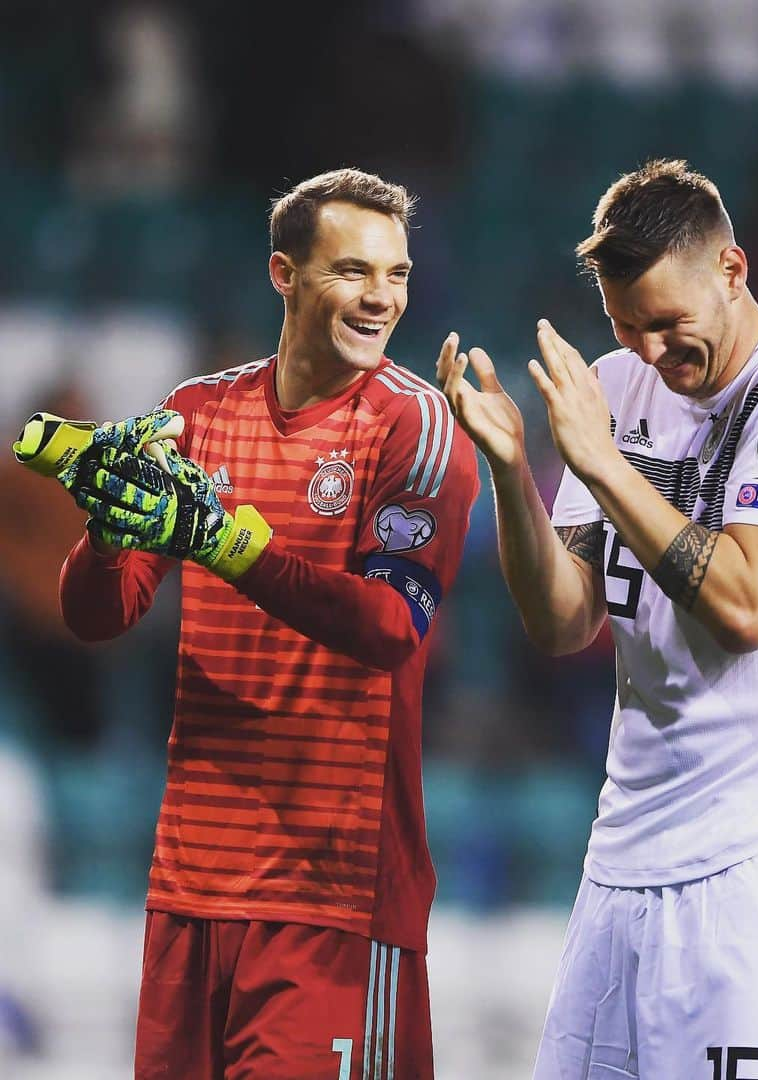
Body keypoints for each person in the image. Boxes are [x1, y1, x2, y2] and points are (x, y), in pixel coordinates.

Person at [438, 159, 758, 1079]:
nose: (649, 353)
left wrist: (602, 466)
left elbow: (752, 605)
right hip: (626, 855)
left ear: (732, 270)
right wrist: (516, 474)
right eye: (625, 327)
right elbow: (564, 623)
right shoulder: (617, 387)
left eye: (669, 324)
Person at [54, 168, 479, 1079]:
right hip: (189, 888)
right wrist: (102, 533)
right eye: (353, 271)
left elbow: (391, 626)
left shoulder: (416, 428)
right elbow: (100, 615)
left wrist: (226, 545)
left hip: (335, 897)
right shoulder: (198, 415)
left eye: (397, 276)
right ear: (284, 274)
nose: (381, 298)